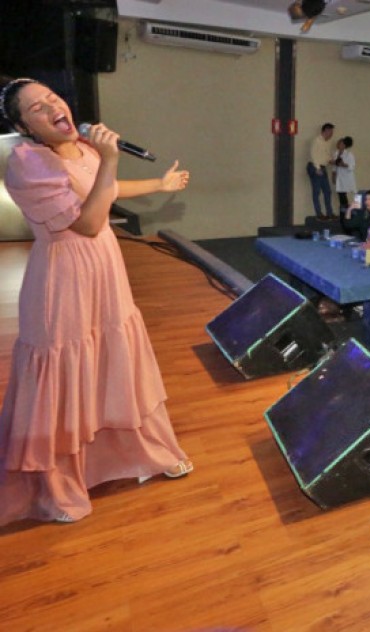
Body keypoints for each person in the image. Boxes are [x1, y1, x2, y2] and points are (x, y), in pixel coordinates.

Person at [0, 78, 192, 525]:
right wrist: (109, 158)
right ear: (22, 127)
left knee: (115, 357)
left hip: (105, 269)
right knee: (65, 373)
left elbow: (107, 190)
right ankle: (57, 482)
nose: (51, 108)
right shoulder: (26, 163)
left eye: (52, 98)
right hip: (64, 276)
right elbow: (86, 223)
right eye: (35, 109)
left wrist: (158, 183)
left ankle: (143, 450)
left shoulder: (83, 148)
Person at [307, 122, 335, 219]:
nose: (332, 134)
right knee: (317, 191)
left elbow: (326, 155)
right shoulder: (317, 140)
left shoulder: (327, 142)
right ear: (326, 130)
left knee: (327, 191)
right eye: (331, 132)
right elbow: (313, 154)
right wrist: (317, 168)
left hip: (322, 167)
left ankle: (329, 213)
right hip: (315, 167)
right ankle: (319, 214)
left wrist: (332, 161)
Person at [332, 135, 356, 210]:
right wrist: (333, 175)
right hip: (339, 178)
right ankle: (344, 211)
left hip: (346, 178)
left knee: (343, 195)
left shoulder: (349, 155)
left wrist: (343, 165)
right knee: (341, 195)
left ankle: (346, 211)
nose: (338, 144)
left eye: (340, 143)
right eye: (338, 142)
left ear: (344, 145)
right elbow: (334, 166)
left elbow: (351, 167)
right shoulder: (336, 153)